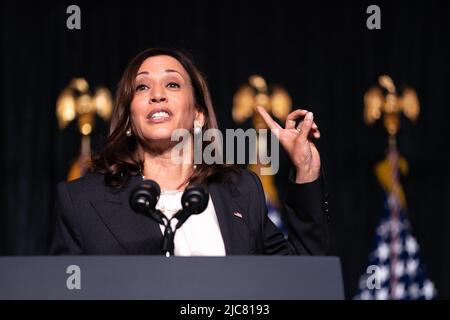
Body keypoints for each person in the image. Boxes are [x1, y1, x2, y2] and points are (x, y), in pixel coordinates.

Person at [49, 48, 330, 255]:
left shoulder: (241, 192)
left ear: (198, 115)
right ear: (129, 121)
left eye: (172, 84)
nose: (157, 94)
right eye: (142, 86)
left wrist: (305, 168)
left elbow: (300, 279)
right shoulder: (82, 201)